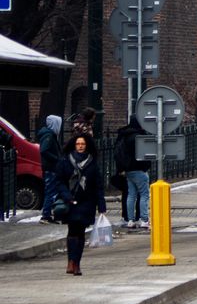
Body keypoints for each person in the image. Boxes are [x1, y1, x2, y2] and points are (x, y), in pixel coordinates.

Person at [55, 134, 106, 276]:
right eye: (78, 144)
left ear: (87, 145)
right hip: (71, 201)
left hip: (87, 202)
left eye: (83, 144)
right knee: (72, 230)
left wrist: (101, 205)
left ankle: (77, 263)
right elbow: (59, 181)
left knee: (81, 232)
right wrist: (67, 196)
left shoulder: (92, 162)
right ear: (74, 145)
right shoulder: (66, 161)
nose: (80, 146)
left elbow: (98, 185)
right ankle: (71, 261)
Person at [118, 116, 150, 229]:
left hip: (128, 170)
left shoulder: (125, 136)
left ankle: (130, 220)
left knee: (131, 195)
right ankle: (144, 219)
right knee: (144, 194)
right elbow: (145, 153)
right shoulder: (139, 137)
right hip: (139, 169)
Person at [36, 115, 62, 224]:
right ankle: (46, 215)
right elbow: (44, 150)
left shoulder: (49, 135)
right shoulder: (49, 136)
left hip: (50, 167)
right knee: (50, 191)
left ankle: (48, 214)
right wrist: (56, 159)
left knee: (51, 190)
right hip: (50, 167)